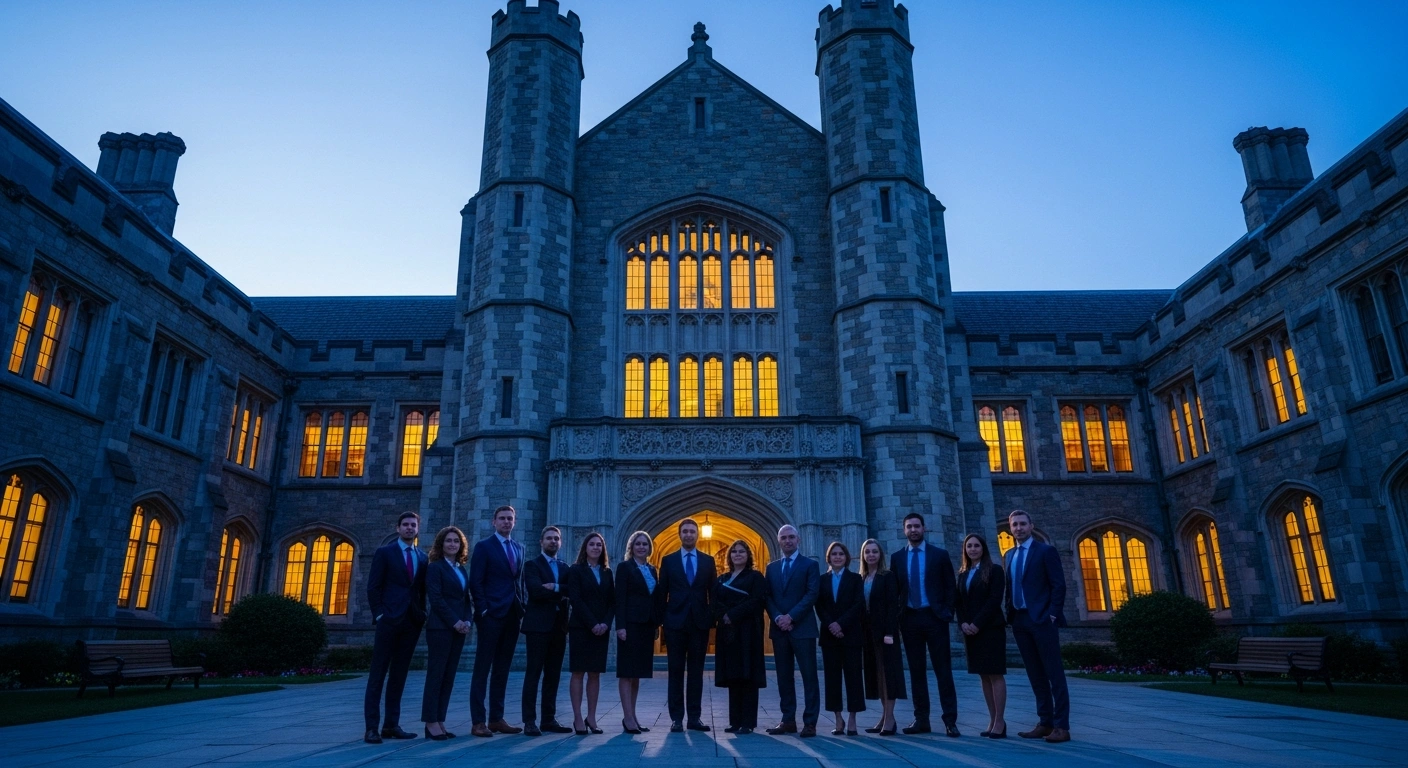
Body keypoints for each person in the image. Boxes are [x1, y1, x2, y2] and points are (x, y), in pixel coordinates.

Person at [890, 512, 960, 737]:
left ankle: (950, 720)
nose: (913, 530)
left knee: (943, 671)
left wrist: (947, 613)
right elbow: (895, 590)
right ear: (904, 530)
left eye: (916, 526)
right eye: (909, 527)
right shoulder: (897, 558)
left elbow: (950, 587)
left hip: (934, 618)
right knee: (916, 672)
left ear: (924, 528)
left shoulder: (939, 555)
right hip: (909, 619)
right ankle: (921, 719)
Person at [1004, 509, 1070, 743]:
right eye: (1014, 525)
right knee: (1035, 674)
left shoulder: (1045, 551)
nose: (1019, 528)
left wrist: (1052, 615)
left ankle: (1062, 726)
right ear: (1010, 528)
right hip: (1020, 620)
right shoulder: (1009, 555)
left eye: (1023, 524)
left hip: (1041, 619)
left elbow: (1058, 585)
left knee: (1054, 674)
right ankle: (1045, 722)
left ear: (1031, 526)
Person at [363, 511, 428, 744]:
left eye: (413, 525)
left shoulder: (422, 557)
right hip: (388, 620)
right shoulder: (385, 553)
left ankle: (391, 724)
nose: (410, 528)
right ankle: (371, 727)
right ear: (398, 528)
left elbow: (420, 590)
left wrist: (421, 614)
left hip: (411, 622)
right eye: (406, 525)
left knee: (399, 675)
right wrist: (380, 614)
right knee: (378, 674)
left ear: (417, 529)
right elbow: (373, 587)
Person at [468, 505, 526, 738]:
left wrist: (523, 605)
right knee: (482, 668)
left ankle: (496, 718)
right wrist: (482, 610)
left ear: (515, 521)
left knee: (502, 669)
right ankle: (478, 721)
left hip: (512, 615)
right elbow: (476, 581)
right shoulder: (484, 547)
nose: (506, 522)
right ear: (494, 522)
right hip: (491, 615)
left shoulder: (519, 547)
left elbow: (518, 581)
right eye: (502, 518)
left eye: (510, 518)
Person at [657, 518, 716, 732]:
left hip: (699, 624)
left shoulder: (708, 561)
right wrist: (661, 621)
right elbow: (662, 593)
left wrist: (711, 618)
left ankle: (694, 718)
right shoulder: (668, 560)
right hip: (675, 623)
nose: (689, 535)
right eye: (685, 531)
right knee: (675, 671)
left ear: (697, 535)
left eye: (692, 531)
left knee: (696, 672)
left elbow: (713, 593)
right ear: (679, 534)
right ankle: (676, 719)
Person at [765, 524, 821, 737]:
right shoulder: (771, 568)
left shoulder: (810, 565)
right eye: (783, 538)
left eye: (791, 537)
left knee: (809, 676)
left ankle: (810, 722)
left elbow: (811, 594)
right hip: (780, 630)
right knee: (784, 677)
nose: (787, 541)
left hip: (803, 629)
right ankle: (788, 720)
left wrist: (791, 617)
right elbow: (767, 596)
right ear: (778, 541)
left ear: (798, 540)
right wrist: (779, 617)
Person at [711, 539, 768, 735]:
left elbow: (756, 601)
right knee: (733, 676)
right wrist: (723, 616)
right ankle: (734, 721)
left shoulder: (755, 577)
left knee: (747, 676)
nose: (737, 554)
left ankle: (748, 722)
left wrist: (732, 615)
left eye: (741, 551)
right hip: (727, 633)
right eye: (734, 551)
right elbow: (715, 601)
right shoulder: (722, 578)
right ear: (729, 556)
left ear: (748, 555)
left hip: (748, 632)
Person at [422, 525, 473, 741]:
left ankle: (440, 719)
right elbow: (436, 599)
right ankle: (430, 721)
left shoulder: (461, 569)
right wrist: (455, 622)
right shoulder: (435, 568)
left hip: (460, 628)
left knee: (449, 676)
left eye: (456, 541)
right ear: (441, 544)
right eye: (449, 541)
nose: (452, 544)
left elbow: (466, 600)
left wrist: (468, 621)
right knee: (436, 674)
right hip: (441, 628)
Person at [521, 526, 573, 736]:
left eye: (556, 539)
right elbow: (535, 591)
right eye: (549, 538)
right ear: (541, 542)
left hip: (559, 628)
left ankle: (548, 719)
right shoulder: (532, 565)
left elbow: (572, 589)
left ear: (560, 543)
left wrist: (556, 587)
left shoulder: (565, 567)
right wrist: (558, 592)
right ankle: (529, 721)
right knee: (533, 673)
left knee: (553, 675)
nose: (553, 541)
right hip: (537, 627)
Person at [956, 533, 1008, 739]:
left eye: (976, 546)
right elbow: (959, 602)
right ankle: (992, 718)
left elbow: (995, 600)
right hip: (971, 631)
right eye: (969, 546)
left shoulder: (994, 571)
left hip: (990, 629)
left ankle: (1000, 721)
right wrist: (964, 623)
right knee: (983, 675)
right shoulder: (963, 573)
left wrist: (977, 623)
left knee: (995, 674)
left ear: (983, 548)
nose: (973, 549)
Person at [816, 541, 866, 736]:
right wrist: (831, 624)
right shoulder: (822, 580)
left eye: (841, 554)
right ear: (828, 557)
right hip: (830, 636)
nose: (837, 557)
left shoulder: (855, 579)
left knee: (853, 677)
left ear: (846, 557)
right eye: (834, 554)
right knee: (832, 679)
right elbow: (819, 606)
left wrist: (841, 624)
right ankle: (838, 718)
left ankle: (853, 718)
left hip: (850, 634)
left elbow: (858, 604)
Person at [615, 530, 661, 734]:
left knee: (637, 675)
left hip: (646, 626)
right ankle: (627, 718)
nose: (641, 547)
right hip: (630, 625)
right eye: (638, 544)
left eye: (645, 544)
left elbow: (655, 599)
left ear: (649, 548)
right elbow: (620, 598)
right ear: (631, 547)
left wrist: (656, 625)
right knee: (626, 673)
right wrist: (620, 626)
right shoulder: (624, 568)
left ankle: (633, 715)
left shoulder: (652, 569)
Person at [567, 532, 613, 735]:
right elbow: (575, 600)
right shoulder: (575, 570)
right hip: (581, 628)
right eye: (592, 544)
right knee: (578, 672)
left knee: (594, 674)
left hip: (601, 630)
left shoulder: (607, 572)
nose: (596, 548)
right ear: (585, 547)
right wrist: (593, 623)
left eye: (599, 545)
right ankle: (578, 717)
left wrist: (605, 624)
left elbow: (612, 601)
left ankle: (591, 717)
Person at [859, 538, 904, 736]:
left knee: (888, 675)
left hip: (885, 634)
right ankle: (884, 716)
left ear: (880, 555)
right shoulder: (862, 578)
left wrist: (889, 632)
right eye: (867, 552)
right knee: (876, 675)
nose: (871, 555)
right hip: (868, 633)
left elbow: (892, 606)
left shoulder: (888, 576)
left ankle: (890, 718)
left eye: (874, 551)